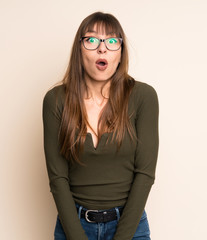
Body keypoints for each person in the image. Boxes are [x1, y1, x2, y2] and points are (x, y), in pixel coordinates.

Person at [42, 11, 159, 240]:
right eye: (92, 40)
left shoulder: (143, 96)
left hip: (130, 226)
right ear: (79, 49)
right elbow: (58, 178)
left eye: (112, 41)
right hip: (73, 227)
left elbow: (145, 174)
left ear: (120, 52)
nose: (102, 48)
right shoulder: (55, 100)